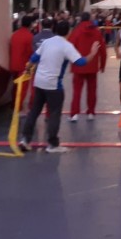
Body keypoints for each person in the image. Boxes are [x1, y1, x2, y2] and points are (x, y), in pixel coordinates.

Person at [19, 20, 101, 153]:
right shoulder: (66, 46)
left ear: (55, 30)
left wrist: (27, 70)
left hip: (39, 82)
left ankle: (25, 139)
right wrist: (92, 53)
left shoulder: (46, 42)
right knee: (54, 114)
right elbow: (80, 62)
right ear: (69, 31)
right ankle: (52, 144)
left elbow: (33, 58)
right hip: (53, 85)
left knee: (34, 111)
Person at [68, 12, 106, 121]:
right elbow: (103, 50)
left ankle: (74, 113)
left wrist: (71, 62)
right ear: (90, 18)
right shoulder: (96, 32)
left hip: (78, 65)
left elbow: (70, 47)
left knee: (77, 91)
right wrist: (102, 65)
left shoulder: (76, 31)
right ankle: (91, 112)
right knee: (92, 90)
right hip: (92, 65)